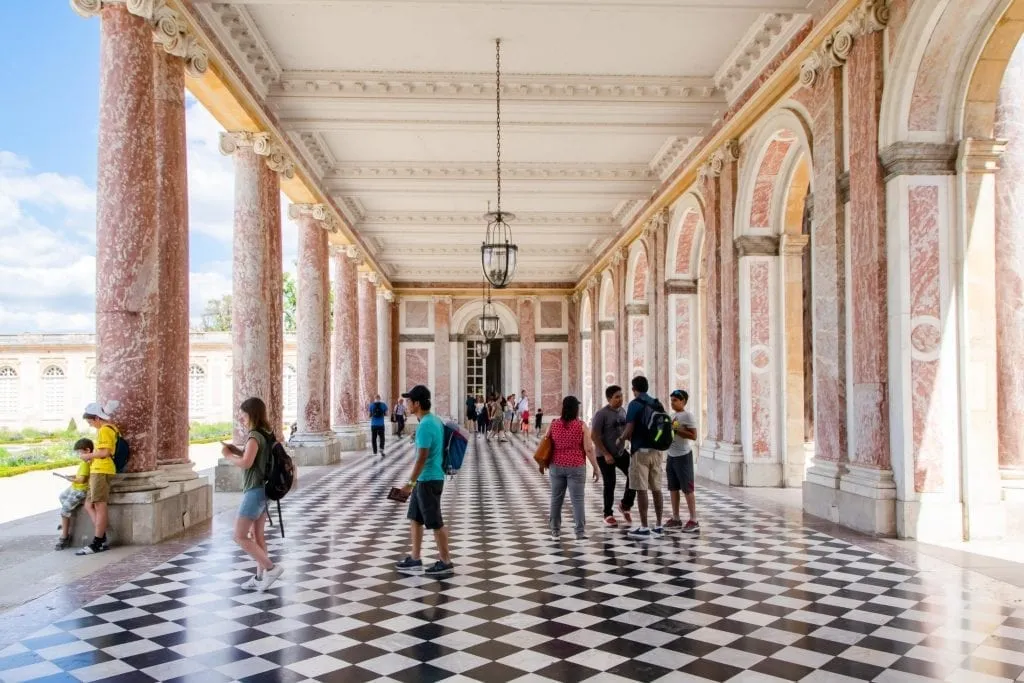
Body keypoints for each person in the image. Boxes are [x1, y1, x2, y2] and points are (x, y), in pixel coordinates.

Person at [221, 397, 284, 592]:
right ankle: (259, 578)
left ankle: (271, 568)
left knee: (239, 536)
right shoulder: (266, 433)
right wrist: (238, 451)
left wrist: (229, 456)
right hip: (264, 490)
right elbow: (255, 459)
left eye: (243, 413)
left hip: (254, 491)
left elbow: (247, 463)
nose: (240, 417)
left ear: (251, 414)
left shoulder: (255, 435)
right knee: (257, 536)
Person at [395, 385, 455, 577]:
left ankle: (446, 561)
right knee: (415, 518)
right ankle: (415, 557)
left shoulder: (426, 425)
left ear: (417, 403)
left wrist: (409, 484)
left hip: (428, 479)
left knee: (435, 521)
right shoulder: (433, 420)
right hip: (427, 479)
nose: (407, 404)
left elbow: (422, 458)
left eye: (409, 401)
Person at [541, 396, 599, 541]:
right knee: (578, 500)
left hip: (556, 466)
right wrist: (596, 467)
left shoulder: (553, 424)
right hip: (576, 467)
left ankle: (555, 531)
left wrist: (541, 463)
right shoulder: (581, 426)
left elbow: (545, 443)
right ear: (576, 409)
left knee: (556, 499)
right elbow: (588, 449)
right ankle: (579, 532)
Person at [617, 376, 665, 539]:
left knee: (641, 489)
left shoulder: (634, 404)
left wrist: (621, 438)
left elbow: (629, 429)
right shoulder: (657, 402)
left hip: (640, 452)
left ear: (634, 389)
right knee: (657, 488)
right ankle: (659, 525)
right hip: (657, 451)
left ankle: (644, 527)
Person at [76, 401, 121, 555]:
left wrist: (87, 455)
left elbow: (105, 453)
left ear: (96, 418)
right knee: (89, 504)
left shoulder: (105, 430)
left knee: (100, 506)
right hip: (98, 470)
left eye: (90, 422)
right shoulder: (106, 429)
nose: (90, 425)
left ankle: (97, 542)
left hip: (102, 471)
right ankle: (101, 537)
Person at [591, 385, 636, 528]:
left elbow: (625, 431)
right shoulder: (601, 414)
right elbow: (594, 436)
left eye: (621, 396)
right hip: (605, 455)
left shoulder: (623, 411)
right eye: (617, 396)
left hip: (620, 452)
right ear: (609, 398)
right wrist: (606, 454)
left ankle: (625, 505)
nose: (620, 399)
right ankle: (607, 514)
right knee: (610, 483)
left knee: (634, 475)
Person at [666, 389, 700, 532]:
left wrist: (676, 430)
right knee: (673, 488)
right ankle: (676, 518)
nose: (672, 402)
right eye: (671, 400)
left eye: (675, 400)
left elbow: (693, 436)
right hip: (671, 456)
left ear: (683, 401)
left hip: (683, 456)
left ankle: (693, 519)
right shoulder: (672, 415)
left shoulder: (688, 416)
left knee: (687, 489)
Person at [55, 438, 93, 551]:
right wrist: (73, 477)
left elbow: (82, 480)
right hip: (75, 487)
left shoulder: (86, 463)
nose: (78, 454)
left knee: (64, 510)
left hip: (80, 489)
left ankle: (65, 536)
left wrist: (71, 479)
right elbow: (81, 475)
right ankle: (66, 519)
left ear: (88, 450)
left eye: (80, 452)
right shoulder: (84, 462)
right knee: (62, 496)